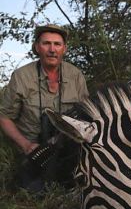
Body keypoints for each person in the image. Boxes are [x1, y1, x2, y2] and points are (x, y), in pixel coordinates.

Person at [0, 24, 89, 193]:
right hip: (34, 152)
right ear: (37, 47)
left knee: (76, 189)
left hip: (68, 150)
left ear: (64, 49)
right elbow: (4, 117)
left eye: (57, 44)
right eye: (46, 43)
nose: (52, 49)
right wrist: (26, 145)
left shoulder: (76, 75)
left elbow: (86, 113)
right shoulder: (21, 76)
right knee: (34, 192)